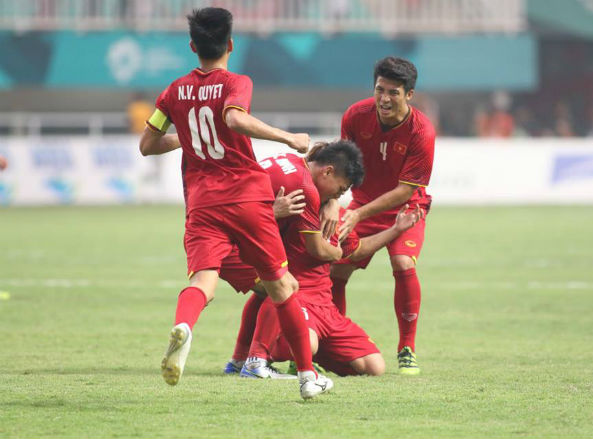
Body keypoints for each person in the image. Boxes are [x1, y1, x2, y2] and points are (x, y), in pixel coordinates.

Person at [138, 7, 331, 400]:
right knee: (283, 286)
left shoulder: (173, 91)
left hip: (202, 202)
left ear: (192, 46)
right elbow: (234, 119)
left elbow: (147, 145)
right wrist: (288, 138)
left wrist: (188, 135)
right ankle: (308, 378)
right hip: (246, 196)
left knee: (202, 283)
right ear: (230, 44)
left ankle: (185, 327)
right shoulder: (236, 82)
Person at [220, 141, 422, 377]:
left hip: (326, 307)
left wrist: (395, 230)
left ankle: (249, 358)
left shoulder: (332, 211)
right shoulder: (298, 198)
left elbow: (356, 250)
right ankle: (253, 358)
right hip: (297, 298)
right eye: (340, 190)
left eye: (342, 193)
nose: (339, 195)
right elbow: (317, 249)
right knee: (278, 287)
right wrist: (336, 252)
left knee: (374, 367)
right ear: (327, 172)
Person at [332, 56, 435, 375]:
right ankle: (327, 342)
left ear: (409, 95)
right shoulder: (355, 116)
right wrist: (332, 203)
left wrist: (357, 214)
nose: (385, 99)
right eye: (380, 90)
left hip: (406, 208)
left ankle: (407, 348)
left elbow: (406, 191)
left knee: (403, 263)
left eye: (393, 92)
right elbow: (344, 166)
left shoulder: (422, 132)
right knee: (336, 269)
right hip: (363, 203)